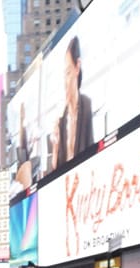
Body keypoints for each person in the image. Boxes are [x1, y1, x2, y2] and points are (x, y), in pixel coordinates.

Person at [50, 36, 94, 173]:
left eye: (68, 72)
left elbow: (92, 151)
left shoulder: (87, 105)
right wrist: (55, 147)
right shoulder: (62, 119)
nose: (65, 82)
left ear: (77, 67)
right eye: (64, 75)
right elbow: (55, 168)